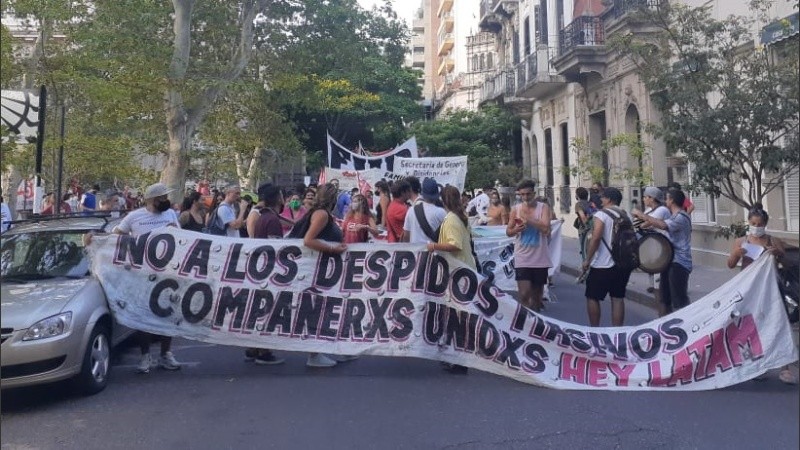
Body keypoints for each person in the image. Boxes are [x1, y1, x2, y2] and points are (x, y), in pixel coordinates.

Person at [112, 183, 182, 373]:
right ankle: (145, 356)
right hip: (142, 275)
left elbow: (182, 237)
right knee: (144, 315)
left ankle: (166, 354)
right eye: (162, 198)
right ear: (152, 200)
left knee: (168, 314)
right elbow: (116, 236)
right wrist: (95, 239)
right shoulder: (134, 217)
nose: (166, 201)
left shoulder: (170, 214)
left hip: (167, 274)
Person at [725, 205, 795, 385]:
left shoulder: (773, 241)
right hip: (749, 290)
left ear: (765, 224)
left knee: (779, 323)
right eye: (753, 223)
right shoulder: (741, 241)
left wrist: (778, 254)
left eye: (760, 223)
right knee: (750, 327)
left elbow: (787, 264)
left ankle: (785, 367)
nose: (756, 226)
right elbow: (731, 264)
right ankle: (756, 365)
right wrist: (736, 253)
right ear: (749, 222)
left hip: (771, 288)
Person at [296, 183, 351, 368]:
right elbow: (308, 240)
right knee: (317, 309)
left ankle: (326, 348)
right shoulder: (321, 215)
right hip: (316, 270)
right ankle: (314, 354)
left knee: (324, 309)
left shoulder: (322, 214)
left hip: (323, 270)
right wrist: (332, 249)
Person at [427, 185, 475, 375]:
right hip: (461, 271)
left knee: (457, 317)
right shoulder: (457, 217)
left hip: (459, 273)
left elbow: (455, 244)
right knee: (457, 316)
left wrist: (433, 246)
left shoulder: (452, 219)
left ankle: (460, 359)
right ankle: (456, 355)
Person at [633, 188, 692, 317]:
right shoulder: (675, 216)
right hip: (670, 261)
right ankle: (668, 328)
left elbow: (663, 225)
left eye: (667, 198)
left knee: (679, 301)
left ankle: (687, 327)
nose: (665, 201)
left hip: (679, 263)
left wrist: (642, 215)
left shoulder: (681, 217)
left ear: (672, 200)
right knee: (665, 298)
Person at [245, 184, 287, 365]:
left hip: (260, 270)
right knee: (267, 310)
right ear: (277, 198)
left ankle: (254, 347)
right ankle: (264, 351)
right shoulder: (272, 220)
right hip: (268, 272)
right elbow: (274, 248)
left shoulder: (263, 217)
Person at [582, 187, 631, 327]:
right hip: (622, 264)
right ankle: (616, 333)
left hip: (602, 264)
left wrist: (587, 259)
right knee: (617, 298)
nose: (601, 200)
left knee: (592, 296)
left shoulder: (601, 215)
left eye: (603, 197)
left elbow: (596, 238)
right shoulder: (626, 215)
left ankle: (595, 330)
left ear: (609, 199)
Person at [506, 179, 552, 313]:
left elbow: (546, 229)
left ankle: (537, 325)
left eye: (528, 194)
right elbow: (508, 232)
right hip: (522, 257)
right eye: (522, 195)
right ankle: (526, 325)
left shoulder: (543, 208)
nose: (525, 197)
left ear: (534, 193)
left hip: (540, 258)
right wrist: (516, 230)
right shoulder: (515, 209)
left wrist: (529, 220)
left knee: (537, 297)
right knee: (524, 294)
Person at [402, 177, 447, 244]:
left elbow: (406, 235)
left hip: (416, 252)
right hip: (434, 251)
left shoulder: (411, 210)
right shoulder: (441, 212)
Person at [574, 187, 594, 260]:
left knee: (584, 248)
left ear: (577, 196)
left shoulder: (578, 204)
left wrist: (587, 227)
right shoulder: (591, 203)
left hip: (584, 230)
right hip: (593, 228)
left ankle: (585, 265)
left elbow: (582, 217)